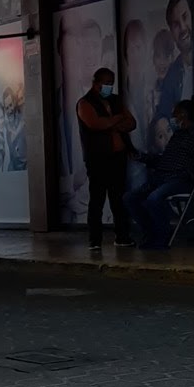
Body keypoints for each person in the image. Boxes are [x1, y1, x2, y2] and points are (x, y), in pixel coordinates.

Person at [125, 100, 194, 248]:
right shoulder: (177, 135)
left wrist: (188, 174)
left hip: (182, 180)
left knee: (154, 199)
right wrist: (142, 157)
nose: (173, 118)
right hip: (162, 177)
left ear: (183, 115)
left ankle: (161, 238)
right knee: (130, 198)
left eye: (175, 115)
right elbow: (164, 161)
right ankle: (150, 233)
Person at [76, 67, 135, 251]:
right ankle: (94, 240)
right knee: (97, 199)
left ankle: (122, 236)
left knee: (118, 199)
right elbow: (96, 124)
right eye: (106, 83)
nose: (109, 86)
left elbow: (131, 122)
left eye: (111, 83)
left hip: (118, 157)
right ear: (96, 83)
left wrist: (112, 123)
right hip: (98, 159)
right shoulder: (85, 103)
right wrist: (117, 119)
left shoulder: (115, 100)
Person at [156, 0, 194, 121]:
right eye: (176, 24)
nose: (183, 28)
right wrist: (161, 123)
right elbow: (162, 115)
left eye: (185, 17)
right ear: (171, 31)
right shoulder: (172, 74)